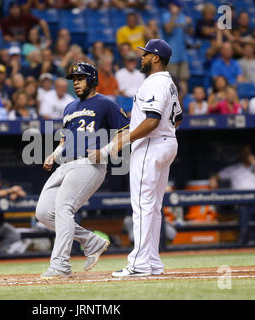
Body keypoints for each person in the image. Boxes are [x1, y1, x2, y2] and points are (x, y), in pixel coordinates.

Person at [36, 62, 130, 279]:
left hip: (89, 164)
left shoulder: (106, 103)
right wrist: (54, 154)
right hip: (65, 164)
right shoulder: (69, 107)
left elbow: (126, 132)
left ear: (93, 80)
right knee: (43, 213)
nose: (76, 83)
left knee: (63, 208)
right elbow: (65, 139)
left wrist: (106, 151)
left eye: (80, 78)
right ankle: (91, 241)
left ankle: (60, 265)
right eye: (74, 79)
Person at [99, 39, 183, 277]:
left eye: (146, 54)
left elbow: (152, 120)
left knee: (143, 206)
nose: (142, 57)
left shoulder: (154, 82)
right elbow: (178, 117)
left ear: (156, 58)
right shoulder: (169, 83)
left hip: (150, 144)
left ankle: (138, 264)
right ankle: (152, 262)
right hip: (165, 143)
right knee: (153, 207)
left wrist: (126, 139)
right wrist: (165, 134)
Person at [209, 146, 255, 244]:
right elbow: (214, 178)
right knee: (244, 228)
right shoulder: (234, 168)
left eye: (248, 153)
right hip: (242, 201)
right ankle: (244, 245)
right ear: (240, 154)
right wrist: (213, 181)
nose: (247, 155)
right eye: (244, 153)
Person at [162, 0, 193, 93]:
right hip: (171, 56)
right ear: (171, 5)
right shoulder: (165, 16)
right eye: (177, 6)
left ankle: (181, 104)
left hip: (182, 55)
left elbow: (191, 32)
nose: (179, 8)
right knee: (171, 83)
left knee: (183, 80)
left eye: (180, 7)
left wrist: (190, 24)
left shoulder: (183, 17)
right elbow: (168, 30)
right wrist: (174, 16)